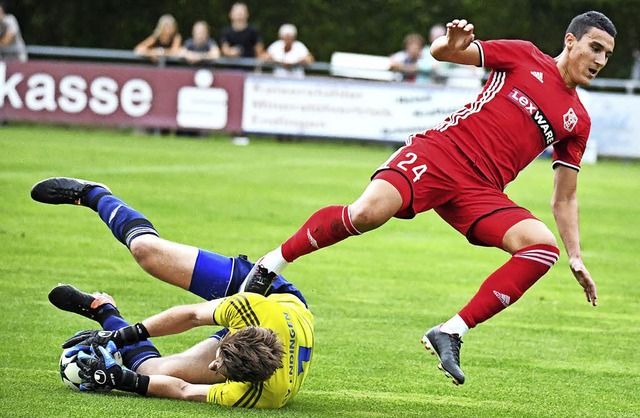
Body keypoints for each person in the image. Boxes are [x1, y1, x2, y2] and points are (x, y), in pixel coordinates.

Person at [240, 12, 616, 385]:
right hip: (440, 153)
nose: (599, 60)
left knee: (542, 248)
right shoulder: (524, 55)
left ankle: (450, 331)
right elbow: (445, 53)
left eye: (607, 55)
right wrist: (450, 44)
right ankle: (271, 264)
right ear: (571, 41)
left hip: (481, 190)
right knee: (366, 214)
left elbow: (564, 198)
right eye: (595, 48)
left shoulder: (577, 120)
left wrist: (576, 255)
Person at [31, 177, 314, 408]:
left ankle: (103, 309)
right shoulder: (250, 307)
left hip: (266, 336)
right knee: (148, 253)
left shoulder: (261, 396)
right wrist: (122, 338)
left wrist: (123, 380)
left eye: (220, 369)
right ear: (235, 330)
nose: (214, 366)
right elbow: (190, 315)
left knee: (150, 372)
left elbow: (184, 390)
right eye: (220, 360)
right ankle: (95, 194)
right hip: (270, 292)